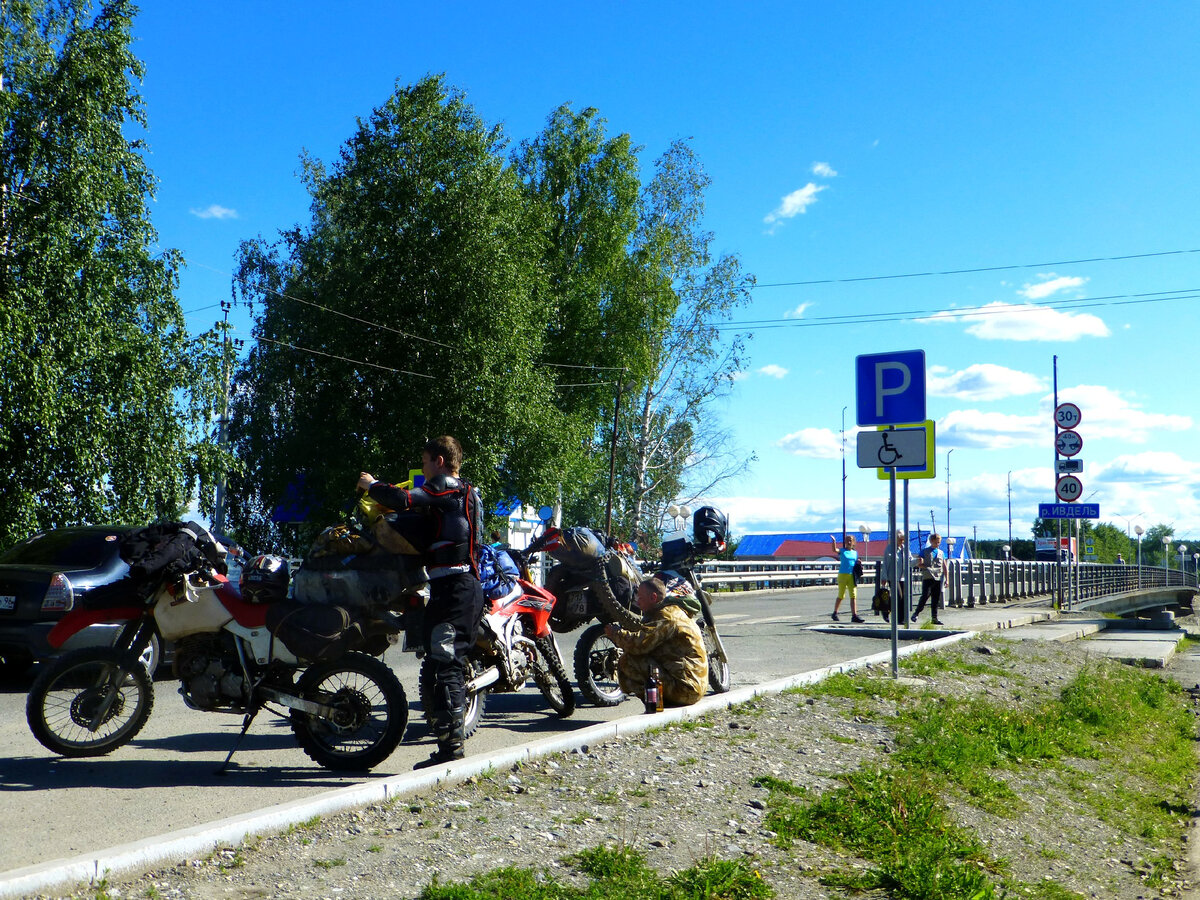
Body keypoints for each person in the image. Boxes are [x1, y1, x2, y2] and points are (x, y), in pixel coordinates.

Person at [357, 435, 485, 769]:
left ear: (439, 461)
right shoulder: (467, 493)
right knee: (438, 661)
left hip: (456, 587)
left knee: (446, 663)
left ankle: (451, 749)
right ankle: (446, 740)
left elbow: (402, 499)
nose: (424, 469)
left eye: (426, 461)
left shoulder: (446, 485)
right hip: (455, 586)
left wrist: (372, 486)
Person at [605, 574, 707, 707]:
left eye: (641, 597)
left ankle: (655, 702)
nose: (637, 600)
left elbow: (639, 644)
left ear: (653, 597)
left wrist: (615, 633)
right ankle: (658, 699)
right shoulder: (672, 610)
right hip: (692, 684)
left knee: (627, 660)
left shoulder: (666, 616)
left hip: (686, 689)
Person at [911, 532, 945, 625]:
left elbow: (944, 565)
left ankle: (934, 618)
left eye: (939, 542)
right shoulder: (925, 551)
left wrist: (947, 579)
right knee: (925, 596)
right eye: (936, 542)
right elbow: (918, 563)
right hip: (928, 577)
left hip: (938, 577)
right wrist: (924, 566)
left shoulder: (941, 553)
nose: (937, 544)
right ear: (931, 541)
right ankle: (916, 613)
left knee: (935, 598)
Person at [829, 534, 864, 623]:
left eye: (850, 540)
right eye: (847, 540)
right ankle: (835, 613)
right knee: (841, 595)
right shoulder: (842, 550)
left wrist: (859, 562)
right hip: (843, 575)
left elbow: (855, 562)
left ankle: (854, 615)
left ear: (853, 542)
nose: (849, 542)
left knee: (853, 595)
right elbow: (834, 550)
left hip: (852, 575)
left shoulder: (855, 553)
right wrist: (834, 541)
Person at [877, 529, 907, 623]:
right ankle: (886, 610)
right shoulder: (889, 549)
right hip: (892, 576)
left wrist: (918, 562)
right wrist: (884, 577)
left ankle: (900, 619)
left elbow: (909, 561)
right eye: (900, 539)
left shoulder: (904, 549)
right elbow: (885, 563)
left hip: (902, 576)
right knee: (898, 595)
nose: (901, 541)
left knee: (903, 598)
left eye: (903, 539)